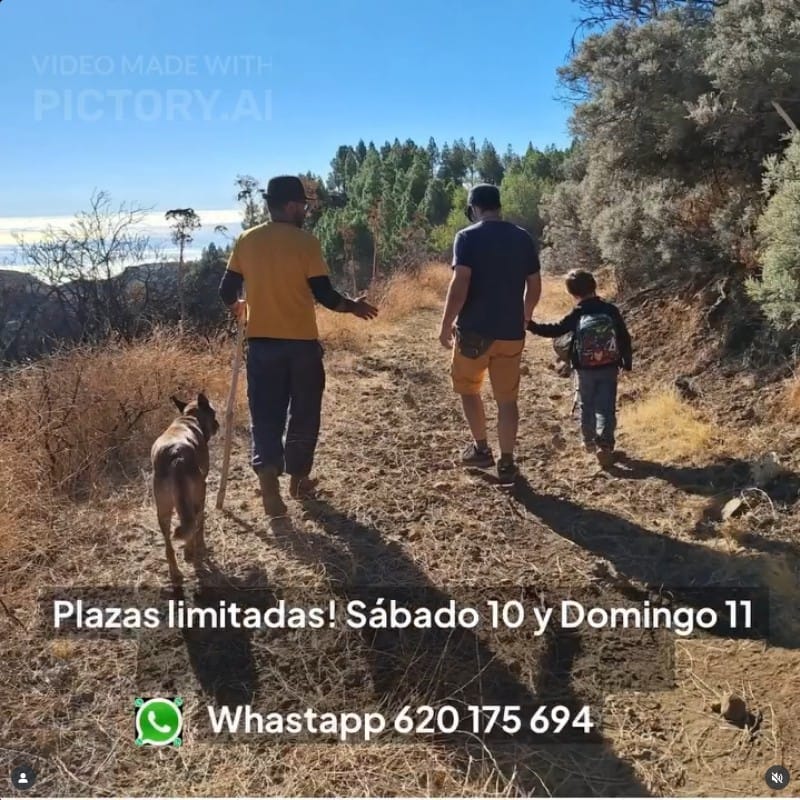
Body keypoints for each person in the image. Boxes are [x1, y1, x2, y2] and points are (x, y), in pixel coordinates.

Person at [219, 175, 378, 517]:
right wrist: (354, 306)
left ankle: (268, 477)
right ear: (291, 205)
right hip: (302, 347)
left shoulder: (246, 240)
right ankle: (299, 479)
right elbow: (324, 294)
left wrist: (238, 308)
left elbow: (225, 291)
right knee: (304, 413)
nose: (305, 211)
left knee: (266, 415)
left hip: (261, 346)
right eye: (303, 205)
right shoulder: (306, 243)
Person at [438, 184, 542, 485]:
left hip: (473, 332)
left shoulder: (467, 237)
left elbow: (460, 285)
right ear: (498, 205)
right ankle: (507, 462)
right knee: (507, 400)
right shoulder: (522, 238)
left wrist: (446, 325)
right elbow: (534, 286)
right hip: (511, 332)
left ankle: (481, 449)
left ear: (473, 208)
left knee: (469, 389)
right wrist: (525, 315)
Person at [527, 269, 632, 467]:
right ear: (594, 286)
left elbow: (555, 329)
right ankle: (606, 445)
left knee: (587, 404)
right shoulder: (610, 310)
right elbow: (624, 337)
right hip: (609, 366)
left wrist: (530, 325)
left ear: (572, 293)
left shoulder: (578, 312)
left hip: (584, 368)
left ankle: (589, 442)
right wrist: (626, 361)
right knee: (606, 406)